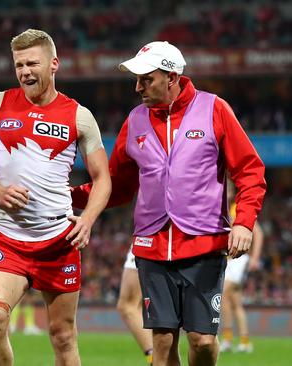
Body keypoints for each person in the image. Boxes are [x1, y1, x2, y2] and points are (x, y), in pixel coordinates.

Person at [72, 41, 266, 366]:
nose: (138, 88)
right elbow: (116, 186)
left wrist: (245, 221)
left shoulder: (214, 109)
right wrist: (67, 195)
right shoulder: (134, 121)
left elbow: (250, 170)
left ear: (171, 77)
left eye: (146, 79)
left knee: (203, 343)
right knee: (162, 344)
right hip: (151, 247)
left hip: (204, 245)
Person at [0, 29, 112, 365]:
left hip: (58, 240)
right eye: (19, 64)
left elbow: (103, 179)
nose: (24, 71)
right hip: (9, 239)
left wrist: (87, 220)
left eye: (32, 63)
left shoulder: (79, 116)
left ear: (54, 64)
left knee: (62, 336)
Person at [220, 184, 264, 353]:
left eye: (229, 190)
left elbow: (258, 232)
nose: (226, 192)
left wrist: (254, 258)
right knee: (236, 302)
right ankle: (245, 341)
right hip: (228, 259)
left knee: (223, 294)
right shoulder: (220, 206)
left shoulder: (237, 208)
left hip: (238, 259)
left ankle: (228, 339)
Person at [116, 247, 153, 365]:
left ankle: (155, 359)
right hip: (197, 239)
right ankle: (156, 359)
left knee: (127, 306)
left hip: (150, 237)